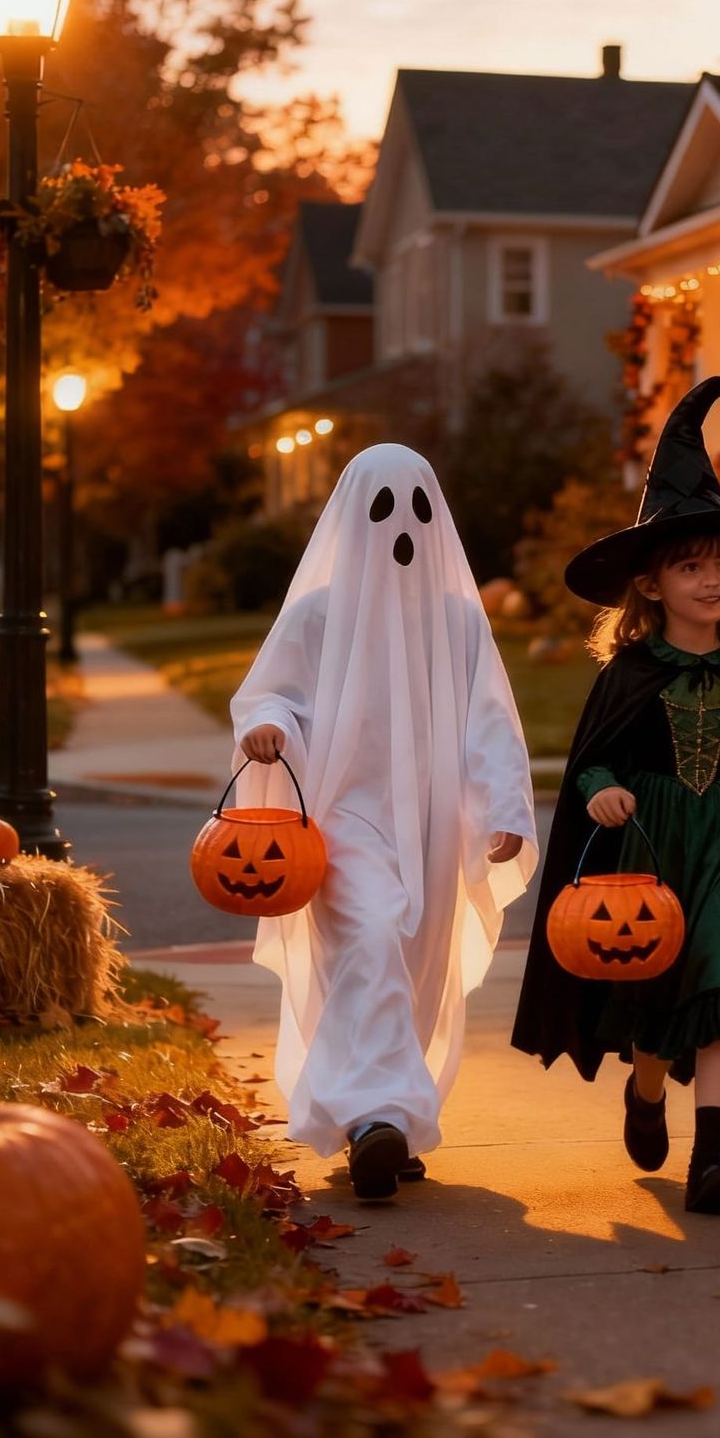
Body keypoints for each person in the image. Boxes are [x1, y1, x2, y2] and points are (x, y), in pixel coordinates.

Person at [512, 377, 720, 1215]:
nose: (711, 579)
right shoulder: (631, 673)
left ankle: (712, 1163)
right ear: (651, 586)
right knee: (657, 999)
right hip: (649, 848)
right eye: (691, 565)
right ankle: (647, 1089)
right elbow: (593, 760)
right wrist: (603, 791)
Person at [230, 445, 538, 1200]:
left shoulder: (460, 620)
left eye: (418, 507)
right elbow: (273, 692)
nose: (401, 527)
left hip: (435, 823)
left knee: (416, 965)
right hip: (342, 820)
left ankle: (389, 1118)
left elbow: (489, 718)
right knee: (368, 938)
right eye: (381, 507)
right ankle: (374, 1119)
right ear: (351, 515)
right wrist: (269, 725)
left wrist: (502, 803)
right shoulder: (318, 613)